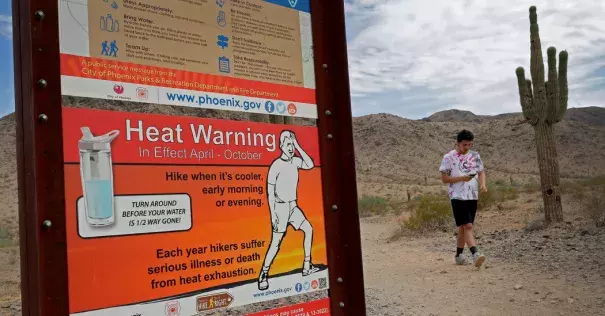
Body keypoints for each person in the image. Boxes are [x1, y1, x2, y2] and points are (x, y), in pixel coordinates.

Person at [258, 130, 320, 291]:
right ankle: (263, 274)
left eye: (292, 145)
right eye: (288, 145)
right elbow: (270, 193)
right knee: (276, 243)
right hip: (280, 208)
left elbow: (310, 164)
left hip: (293, 207)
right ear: (281, 146)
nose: (290, 148)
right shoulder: (276, 166)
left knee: (308, 229)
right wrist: (273, 215)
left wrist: (298, 144)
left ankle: (307, 266)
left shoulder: (295, 162)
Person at [439, 129, 487, 267]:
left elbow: (481, 172)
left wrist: (482, 184)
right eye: (464, 144)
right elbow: (444, 178)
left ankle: (459, 255)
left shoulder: (475, 156)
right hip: (457, 195)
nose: (467, 147)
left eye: (470, 144)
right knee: (468, 226)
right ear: (458, 143)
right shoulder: (448, 157)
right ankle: (475, 254)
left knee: (462, 228)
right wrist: (461, 178)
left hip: (472, 195)